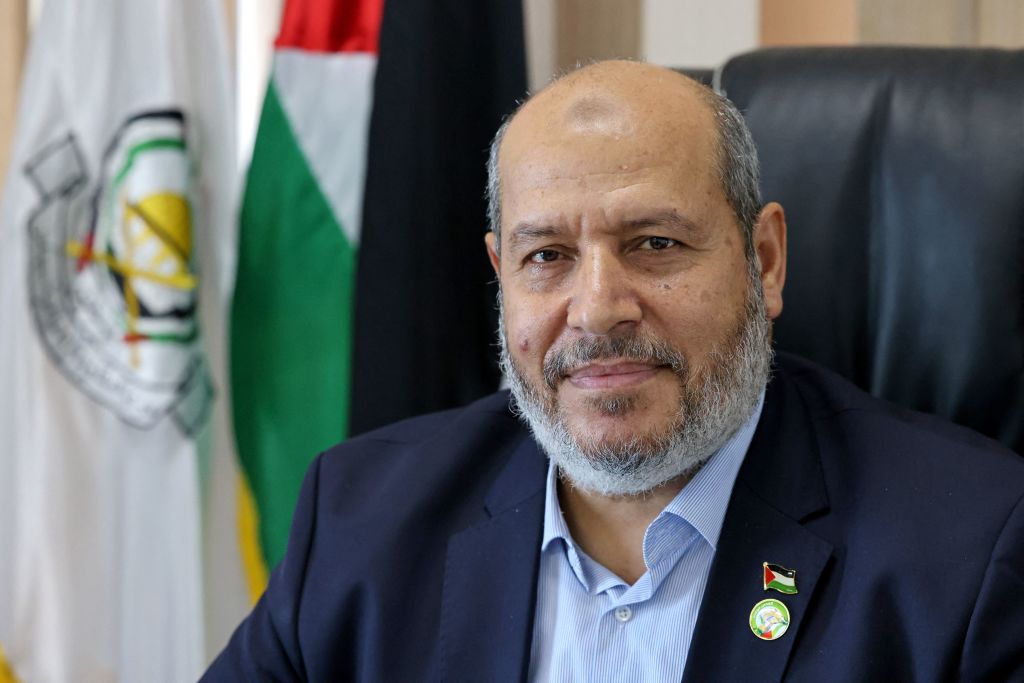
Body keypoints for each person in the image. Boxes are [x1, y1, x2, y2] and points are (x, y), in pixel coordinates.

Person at [203, 61, 1024, 682]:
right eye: (546, 256)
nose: (596, 309)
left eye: (655, 243)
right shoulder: (360, 521)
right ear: (501, 275)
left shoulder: (972, 550)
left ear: (765, 261)